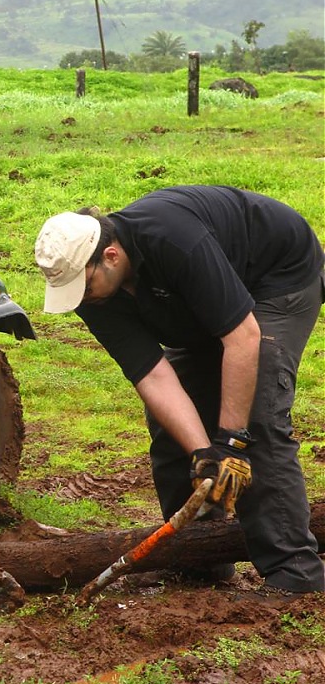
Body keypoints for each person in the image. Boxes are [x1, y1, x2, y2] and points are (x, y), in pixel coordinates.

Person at [34, 185, 324, 598]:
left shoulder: (173, 240)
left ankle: (294, 576)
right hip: (194, 302)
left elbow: (242, 337)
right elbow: (153, 376)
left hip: (273, 278)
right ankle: (196, 559)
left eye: (83, 286)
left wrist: (231, 443)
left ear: (111, 257)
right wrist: (204, 453)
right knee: (172, 427)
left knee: (258, 417)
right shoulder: (92, 292)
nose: (79, 300)